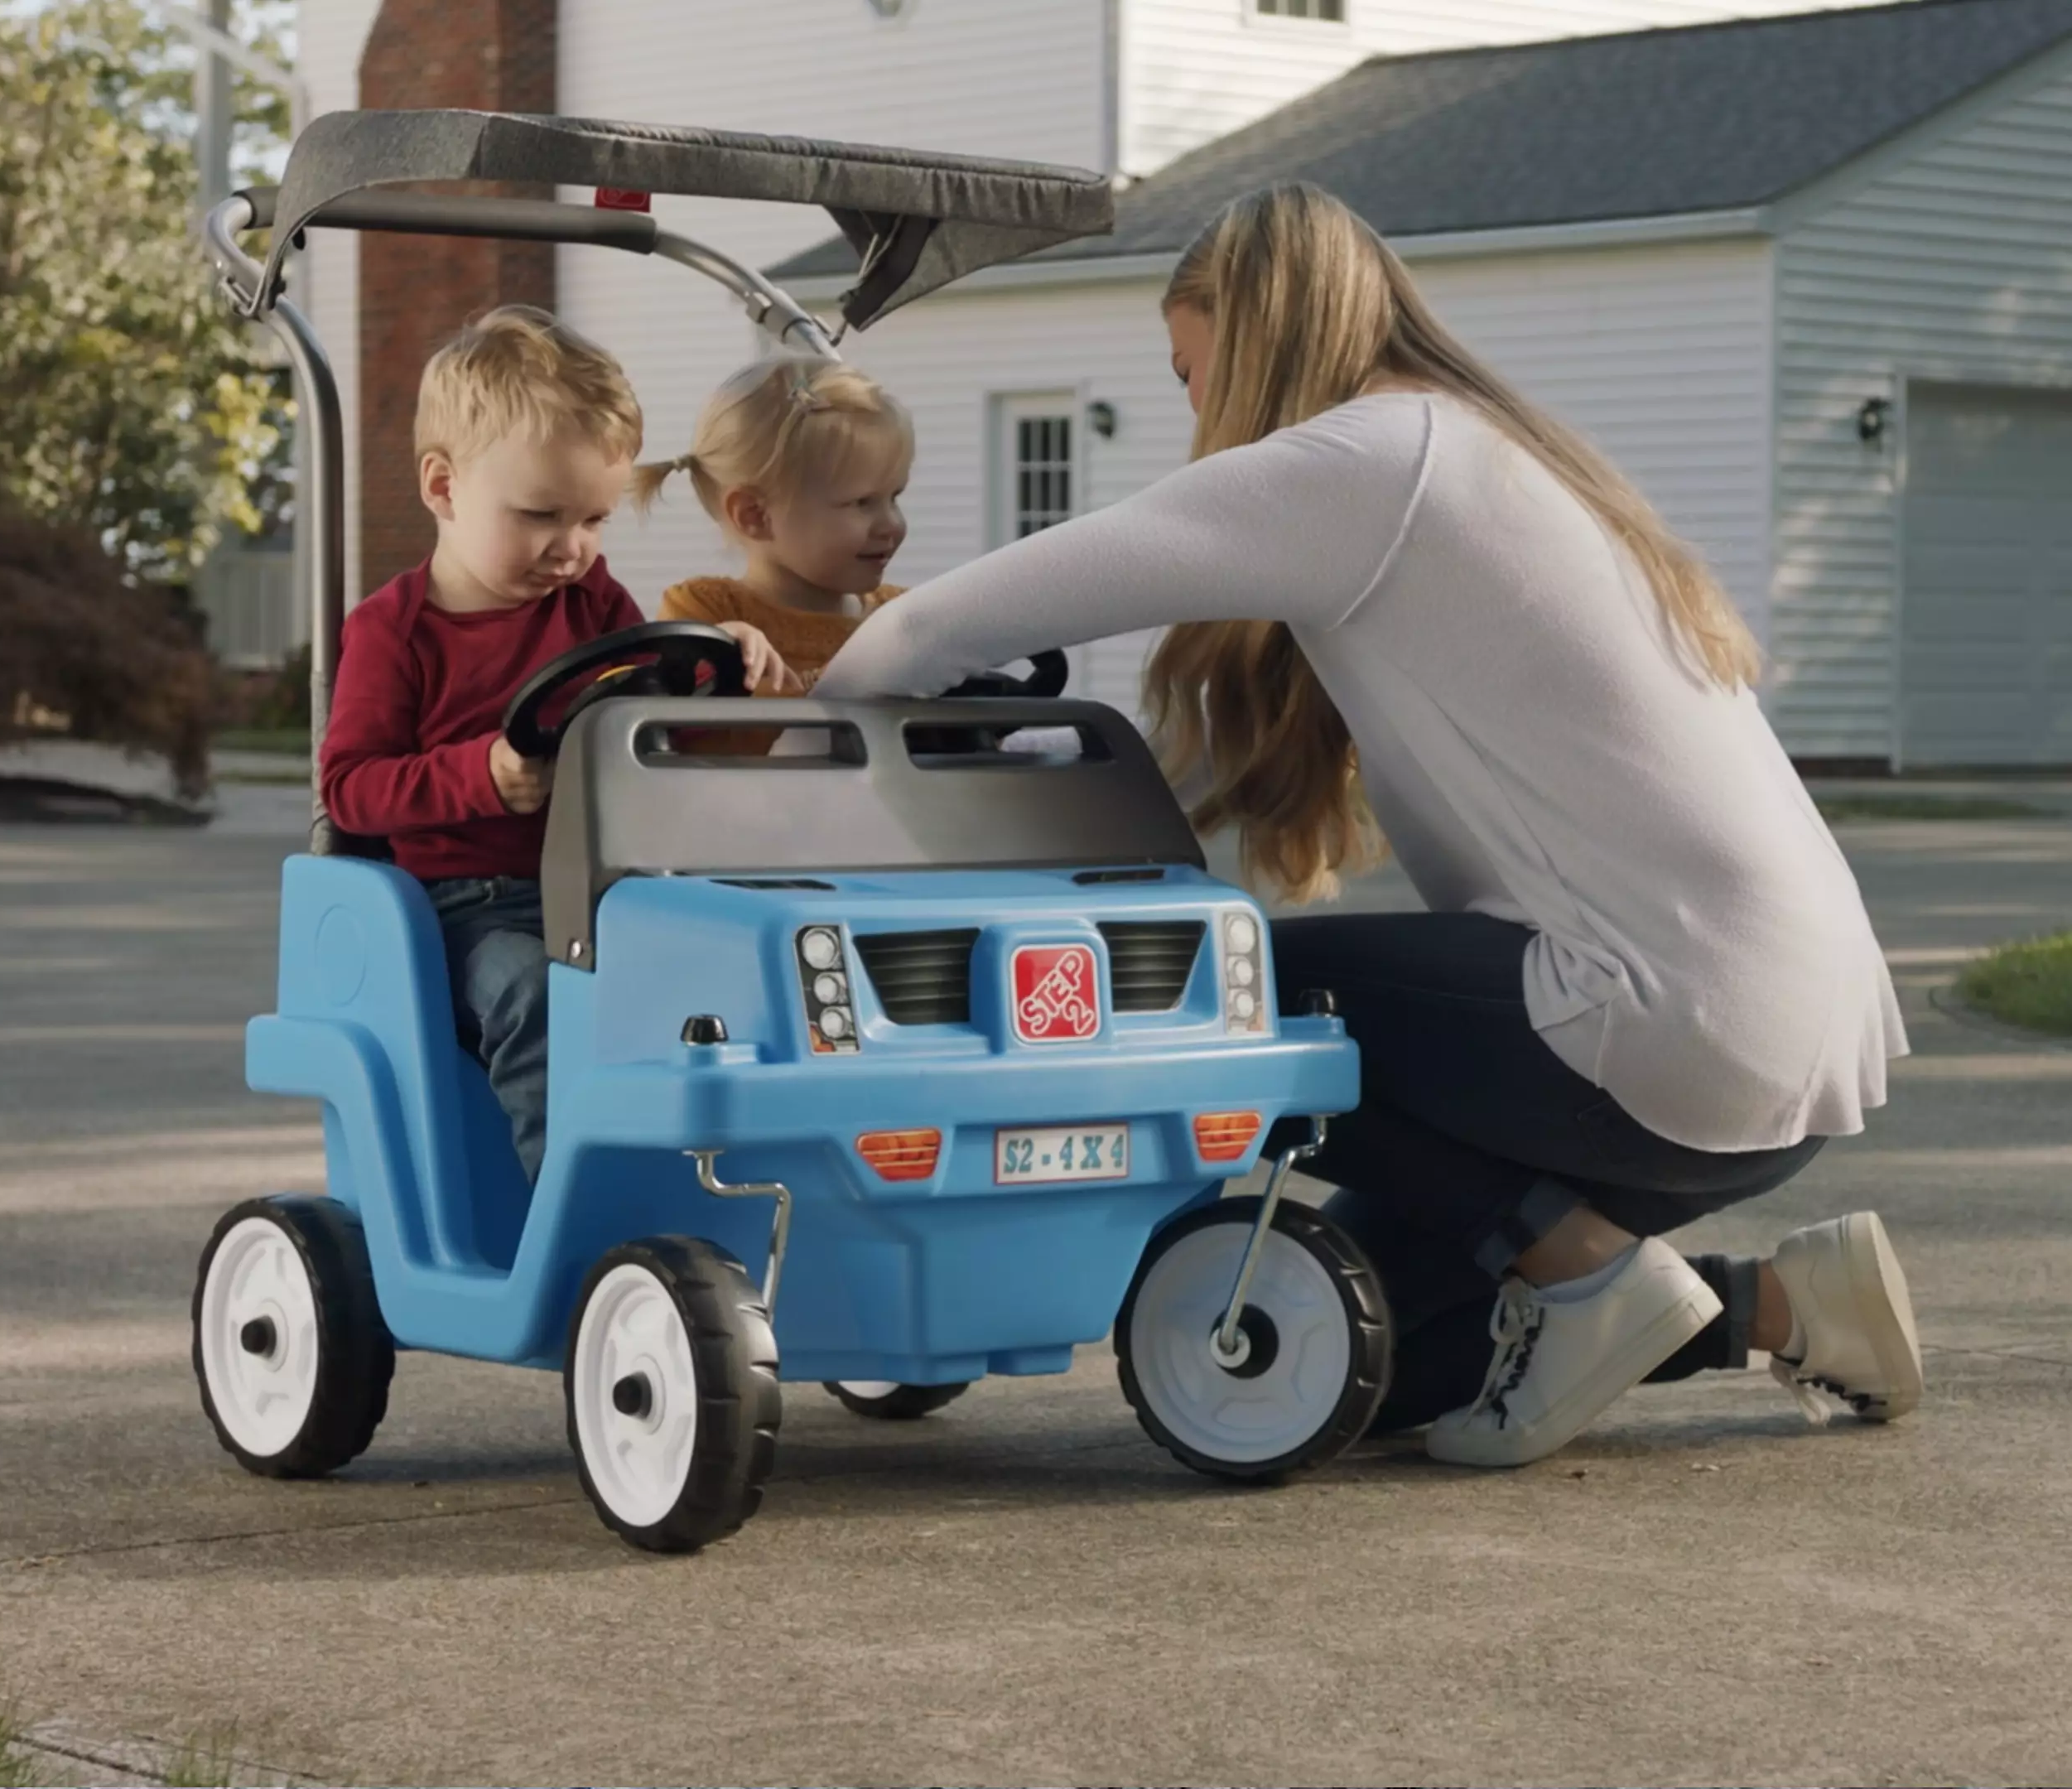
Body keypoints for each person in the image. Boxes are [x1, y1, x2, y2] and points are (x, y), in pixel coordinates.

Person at [812, 183, 1923, 1468]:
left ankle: (1577, 1269)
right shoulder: (1492, 449)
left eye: (1188, 372)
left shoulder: (1366, 460)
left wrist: (798, 724)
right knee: (1361, 1353)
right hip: (1786, 1049)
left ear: (1257, 331)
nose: (1192, 411)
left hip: (1665, 1035)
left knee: (1212, 999)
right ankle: (1780, 1306)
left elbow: (936, 627)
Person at [320, 306, 792, 1187]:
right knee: (537, 999)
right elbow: (352, 789)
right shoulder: (394, 632)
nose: (572, 549)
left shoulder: (590, 600)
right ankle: (569, 1222)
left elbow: (644, 687)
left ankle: (726, 1195)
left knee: (747, 967)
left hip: (605, 887)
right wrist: (482, 775)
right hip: (465, 909)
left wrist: (718, 654)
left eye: (596, 520)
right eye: (541, 514)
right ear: (442, 487)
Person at [639, 354, 912, 737]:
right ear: (755, 515)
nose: (893, 524)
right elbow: (660, 723)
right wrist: (714, 652)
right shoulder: (706, 612)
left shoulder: (907, 616)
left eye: (895, 497)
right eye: (862, 503)